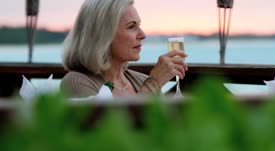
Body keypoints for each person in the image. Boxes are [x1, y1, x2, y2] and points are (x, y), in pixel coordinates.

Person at [60, 0, 188, 97]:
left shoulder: (141, 80)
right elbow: (113, 131)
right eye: (131, 26)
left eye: (139, 25)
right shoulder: (76, 82)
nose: (143, 35)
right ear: (103, 35)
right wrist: (154, 83)